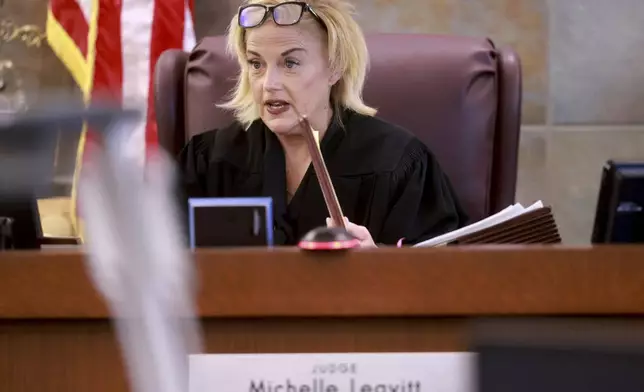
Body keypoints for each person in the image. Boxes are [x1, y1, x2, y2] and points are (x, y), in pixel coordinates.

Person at [179, 0, 468, 247]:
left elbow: (447, 281)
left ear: (335, 67)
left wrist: (379, 265)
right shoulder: (207, 160)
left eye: (290, 63)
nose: (269, 84)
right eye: (256, 64)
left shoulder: (399, 164)